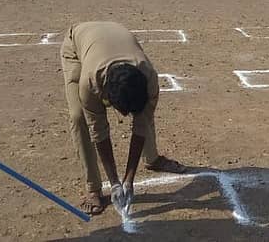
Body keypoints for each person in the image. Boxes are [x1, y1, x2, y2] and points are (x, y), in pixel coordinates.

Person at [60, 22, 187, 216]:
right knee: (79, 118)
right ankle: (93, 188)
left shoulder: (149, 78)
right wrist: (115, 184)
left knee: (144, 111)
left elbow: (141, 123)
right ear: (107, 97)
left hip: (111, 37)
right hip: (77, 49)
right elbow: (99, 132)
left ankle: (152, 159)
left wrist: (129, 180)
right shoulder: (89, 83)